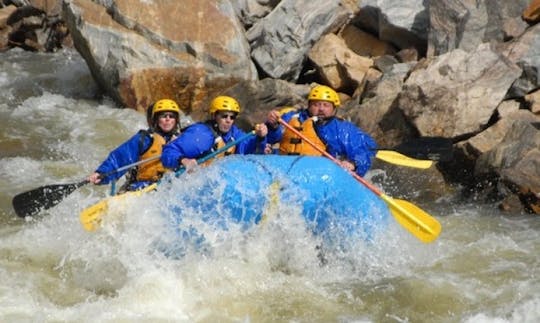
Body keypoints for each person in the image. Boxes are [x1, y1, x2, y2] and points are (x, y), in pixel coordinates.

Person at [265, 85, 377, 177]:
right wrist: (272, 126)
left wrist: (353, 163)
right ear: (308, 106)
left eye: (326, 105)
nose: (321, 109)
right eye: (316, 104)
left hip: (320, 173)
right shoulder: (291, 118)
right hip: (286, 168)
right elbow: (269, 138)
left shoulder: (342, 129)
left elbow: (365, 149)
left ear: (334, 109)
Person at [88, 99, 182, 192]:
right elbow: (119, 158)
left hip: (168, 189)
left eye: (171, 116)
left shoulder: (182, 140)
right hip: (139, 188)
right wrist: (101, 173)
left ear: (176, 120)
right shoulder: (144, 139)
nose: (168, 119)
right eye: (163, 116)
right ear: (156, 119)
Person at [161, 95, 268, 170]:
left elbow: (250, 150)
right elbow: (169, 152)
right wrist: (183, 160)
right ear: (214, 116)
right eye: (224, 116)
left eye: (232, 117)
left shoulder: (234, 133)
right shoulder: (201, 135)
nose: (228, 120)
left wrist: (260, 138)